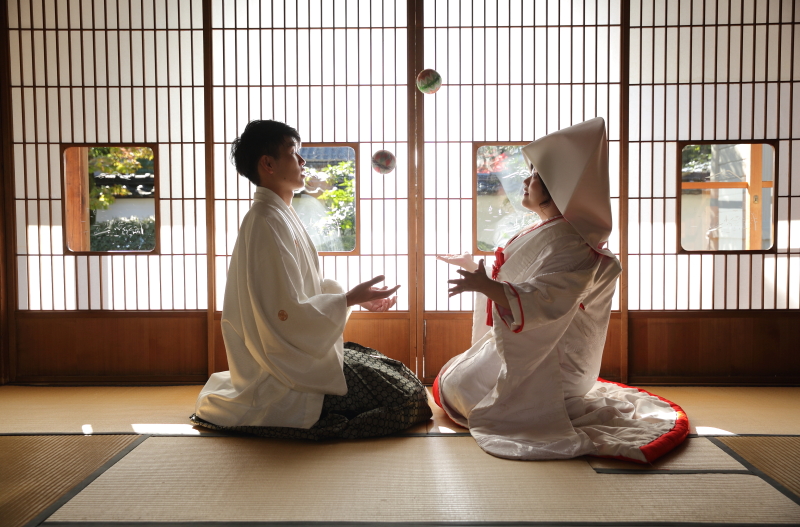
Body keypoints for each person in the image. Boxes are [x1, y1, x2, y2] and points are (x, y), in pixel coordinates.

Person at [434, 118, 688, 461]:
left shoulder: (570, 241)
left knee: (462, 389)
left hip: (556, 355)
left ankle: (549, 400)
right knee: (455, 380)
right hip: (538, 340)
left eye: (536, 177)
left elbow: (545, 299)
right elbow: (520, 279)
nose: (526, 182)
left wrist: (487, 285)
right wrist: (475, 269)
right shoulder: (555, 231)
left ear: (557, 187)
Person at [191, 120, 431, 439]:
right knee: (407, 398)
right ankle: (320, 424)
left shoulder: (279, 214)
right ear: (268, 164)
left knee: (401, 377)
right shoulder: (264, 221)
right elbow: (284, 313)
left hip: (301, 353)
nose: (303, 161)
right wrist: (348, 299)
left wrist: (353, 299)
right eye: (294, 153)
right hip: (285, 372)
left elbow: (305, 292)